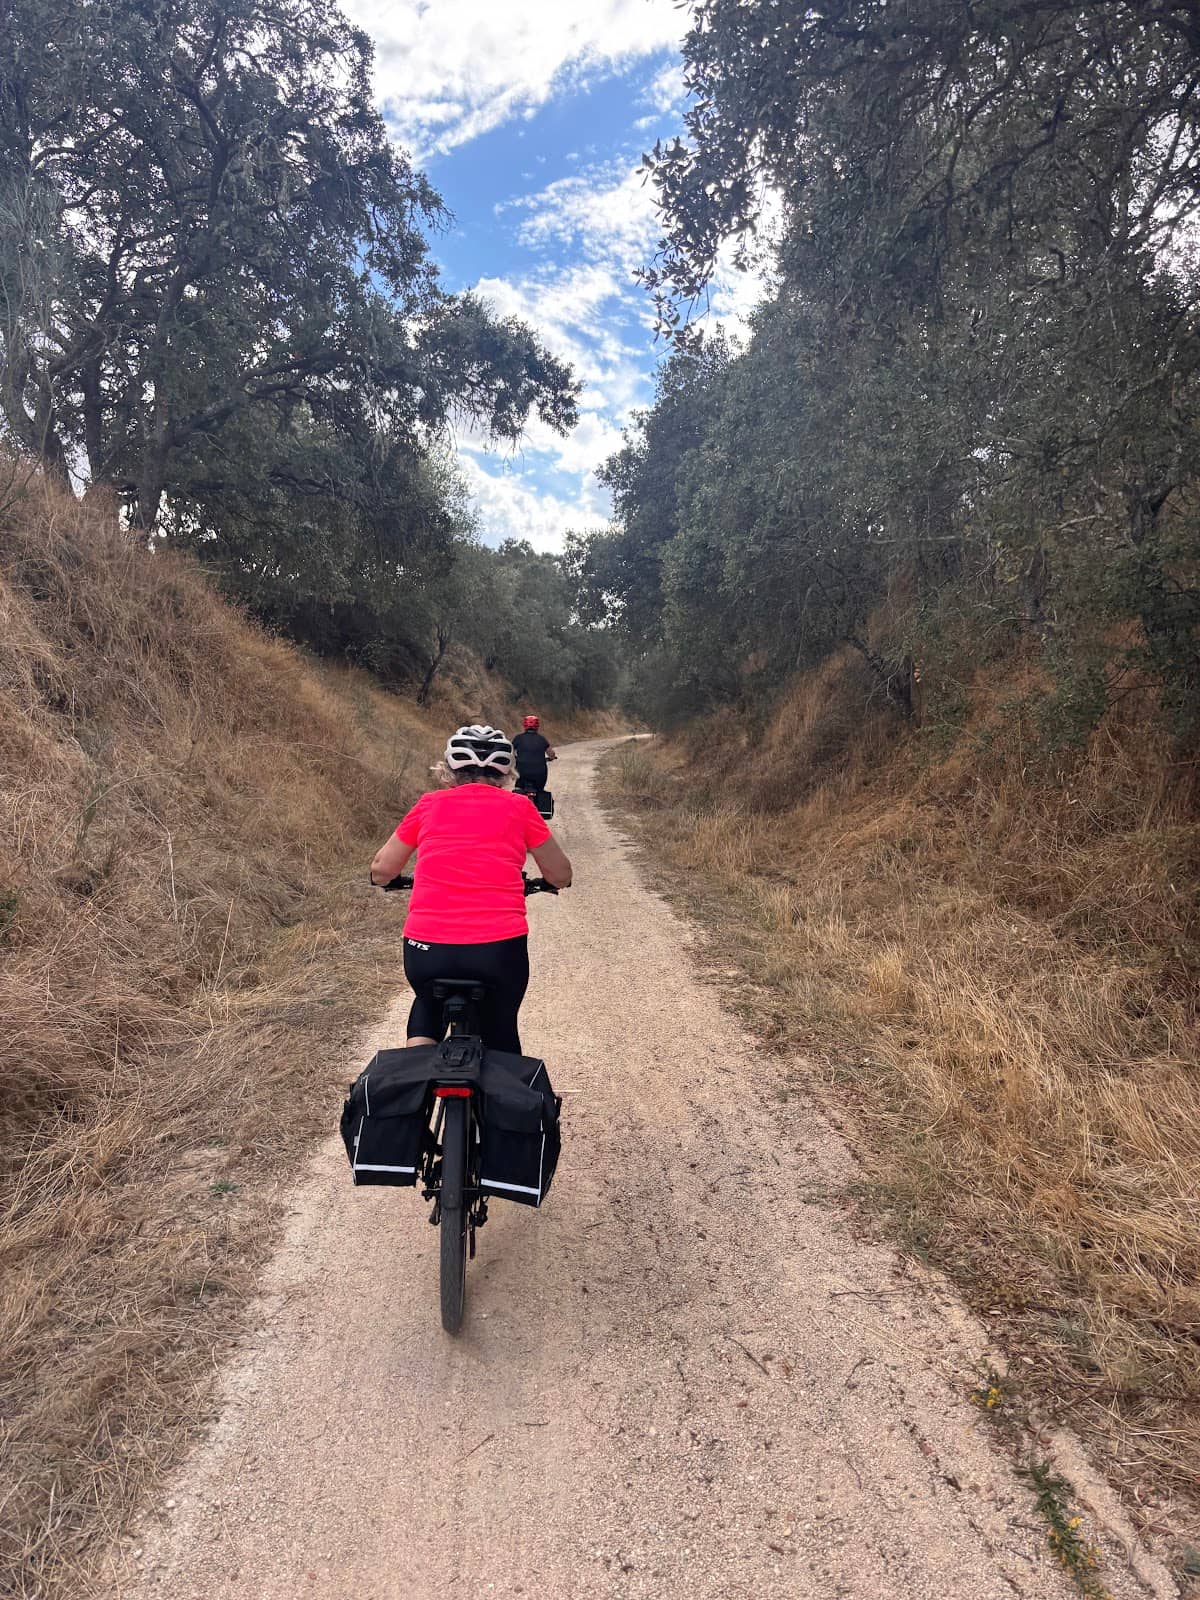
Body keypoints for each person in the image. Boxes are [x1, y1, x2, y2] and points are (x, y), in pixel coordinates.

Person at [369, 725, 572, 1054]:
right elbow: (561, 873)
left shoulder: (429, 805)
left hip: (426, 950)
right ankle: (505, 1098)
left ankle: (412, 1075)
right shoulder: (521, 808)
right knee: (501, 1028)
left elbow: (381, 870)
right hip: (498, 952)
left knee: (427, 1003)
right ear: (506, 773)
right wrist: (550, 882)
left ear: (448, 770)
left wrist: (388, 879)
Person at [511, 714, 556, 796]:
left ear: (524, 725)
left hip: (522, 772)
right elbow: (551, 754)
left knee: (518, 789)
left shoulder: (518, 738)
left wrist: (515, 758)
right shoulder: (541, 739)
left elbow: (511, 751)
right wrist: (551, 758)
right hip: (539, 774)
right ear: (537, 726)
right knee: (540, 790)